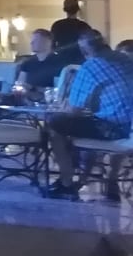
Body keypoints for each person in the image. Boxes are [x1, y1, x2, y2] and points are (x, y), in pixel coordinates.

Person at [44, 31, 133, 198]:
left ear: (84, 50)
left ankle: (66, 182)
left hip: (114, 129)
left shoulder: (90, 67)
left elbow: (74, 109)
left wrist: (61, 108)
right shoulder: (125, 60)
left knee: (55, 124)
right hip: (129, 128)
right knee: (80, 124)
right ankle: (90, 176)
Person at [13, 29, 62, 99]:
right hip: (26, 101)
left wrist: (33, 88)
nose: (31, 43)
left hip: (47, 101)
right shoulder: (27, 63)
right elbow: (20, 84)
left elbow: (58, 90)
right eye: (32, 40)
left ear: (48, 42)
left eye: (36, 40)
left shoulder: (58, 63)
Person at [50, 0, 92, 64]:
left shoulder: (57, 25)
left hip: (62, 59)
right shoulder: (84, 26)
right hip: (80, 59)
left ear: (64, 10)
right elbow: (90, 44)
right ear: (78, 10)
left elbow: (52, 45)